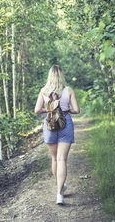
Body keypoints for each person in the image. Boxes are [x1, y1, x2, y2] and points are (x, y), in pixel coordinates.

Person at [34, 65, 80, 205]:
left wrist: (48, 110)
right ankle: (59, 193)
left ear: (50, 76)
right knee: (62, 160)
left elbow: (37, 110)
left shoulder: (44, 91)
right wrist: (66, 111)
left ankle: (60, 187)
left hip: (49, 125)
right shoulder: (68, 90)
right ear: (61, 75)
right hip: (65, 124)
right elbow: (77, 110)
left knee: (54, 159)